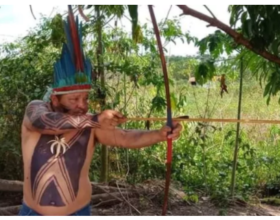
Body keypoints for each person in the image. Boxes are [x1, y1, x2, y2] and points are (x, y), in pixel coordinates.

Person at [18, 6, 182, 216]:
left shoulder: (89, 122)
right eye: (74, 98)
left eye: (85, 98)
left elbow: (125, 138)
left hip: (78, 212)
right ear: (54, 98)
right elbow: (42, 122)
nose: (82, 104)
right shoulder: (36, 109)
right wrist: (95, 119)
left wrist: (160, 134)